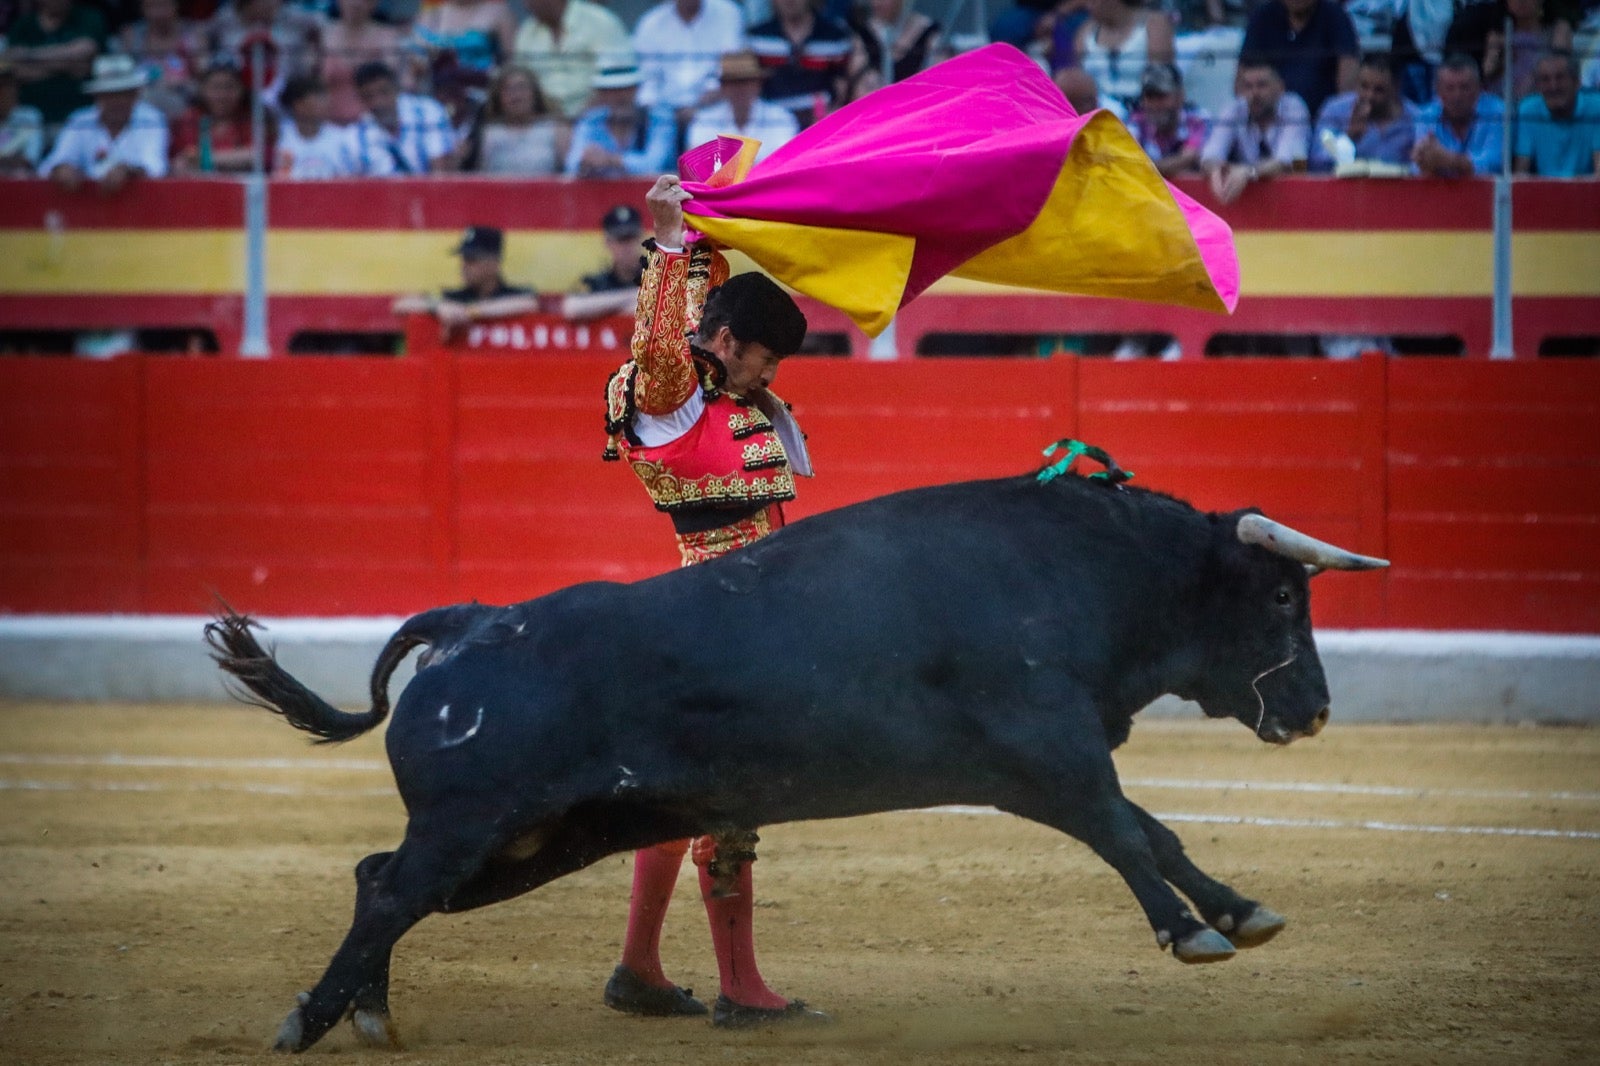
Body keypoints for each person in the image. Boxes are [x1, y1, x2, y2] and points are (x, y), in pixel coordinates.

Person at [600, 173, 829, 1030]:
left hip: (726, 611)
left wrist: (706, 238)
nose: (769, 375)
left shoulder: (712, 386)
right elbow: (664, 338)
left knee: (677, 800)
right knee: (730, 803)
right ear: (728, 344)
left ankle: (639, 969)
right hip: (717, 623)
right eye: (765, 358)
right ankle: (741, 989)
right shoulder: (668, 391)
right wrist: (666, 243)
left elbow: (701, 293)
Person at [39, 53, 169, 190]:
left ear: (135, 94)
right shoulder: (79, 121)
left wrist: (128, 171)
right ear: (97, 96)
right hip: (86, 204)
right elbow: (51, 164)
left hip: (137, 206)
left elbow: (155, 167)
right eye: (109, 94)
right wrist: (62, 168)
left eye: (123, 93)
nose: (117, 101)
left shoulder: (151, 120)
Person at [1200, 54, 1309, 203]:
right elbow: (1210, 155)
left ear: (1280, 88)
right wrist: (1216, 171)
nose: (1254, 93)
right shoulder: (1234, 109)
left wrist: (1248, 172)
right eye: (1248, 87)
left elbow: (1287, 162)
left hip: (1295, 200)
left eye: (1262, 85)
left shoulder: (1294, 107)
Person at [392, 226, 540, 333]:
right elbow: (400, 304)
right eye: (463, 259)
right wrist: (436, 307)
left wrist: (469, 311)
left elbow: (529, 303)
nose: (463, 266)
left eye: (471, 260)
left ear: (494, 263)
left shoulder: (515, 294)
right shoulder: (454, 297)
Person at [511, 0, 635, 121]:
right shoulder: (527, 32)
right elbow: (521, 84)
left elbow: (620, 82)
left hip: (598, 120)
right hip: (544, 123)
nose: (526, 5)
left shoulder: (601, 22)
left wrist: (578, 120)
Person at [634, 0, 748, 128]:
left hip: (713, 108)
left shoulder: (729, 13)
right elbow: (648, 84)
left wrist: (699, 106)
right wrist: (665, 112)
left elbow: (732, 71)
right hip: (663, 115)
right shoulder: (650, 23)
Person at [1240, 0, 1359, 120]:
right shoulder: (1262, 17)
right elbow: (1242, 81)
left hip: (1322, 124)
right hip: (1272, 124)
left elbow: (1347, 87)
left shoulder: (1336, 16)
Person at [746, 0, 854, 126]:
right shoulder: (757, 38)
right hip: (771, 126)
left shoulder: (834, 37)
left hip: (820, 123)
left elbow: (842, 84)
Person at [6, 0, 108, 128]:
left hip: (82, 114)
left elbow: (87, 50)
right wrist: (69, 64)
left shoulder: (88, 17)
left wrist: (28, 56)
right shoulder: (23, 24)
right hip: (31, 115)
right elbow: (15, 69)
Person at [564, 63, 678, 177]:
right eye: (611, 90)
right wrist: (585, 161)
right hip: (603, 192)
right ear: (602, 94)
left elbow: (654, 165)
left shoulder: (658, 119)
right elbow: (572, 164)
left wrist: (610, 160)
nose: (619, 96)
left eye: (625, 89)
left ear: (636, 89)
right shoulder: (591, 120)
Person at [347, 59, 460, 173]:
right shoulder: (356, 136)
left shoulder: (428, 112)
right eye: (369, 96)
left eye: (384, 92)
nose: (378, 102)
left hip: (431, 189)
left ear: (396, 89)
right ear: (360, 99)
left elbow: (440, 170)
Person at [1310, 52, 1418, 171]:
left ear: (1396, 88)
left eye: (1379, 90)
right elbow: (1316, 163)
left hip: (1398, 188)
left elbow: (1419, 170)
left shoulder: (1416, 118)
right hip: (1346, 188)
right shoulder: (1335, 110)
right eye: (1364, 86)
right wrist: (1349, 137)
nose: (1369, 95)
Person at [684, 51, 799, 161]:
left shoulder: (782, 118)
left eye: (746, 82)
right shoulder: (704, 120)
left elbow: (783, 164)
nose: (740, 89)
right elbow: (695, 168)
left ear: (758, 85)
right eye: (733, 83)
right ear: (723, 88)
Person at [1063, 0, 1176, 110]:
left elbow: (1160, 80)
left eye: (1093, 1)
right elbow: (1078, 82)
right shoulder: (1084, 32)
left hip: (1141, 111)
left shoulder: (1154, 24)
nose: (1087, 6)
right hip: (1098, 114)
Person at [1412, 52, 1504, 175]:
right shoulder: (1426, 116)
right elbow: (1418, 168)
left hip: (1485, 193)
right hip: (1440, 192)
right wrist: (1425, 161)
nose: (1457, 96)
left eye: (1464, 87)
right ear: (1438, 91)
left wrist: (1449, 161)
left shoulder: (1497, 111)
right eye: (1450, 88)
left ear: (1479, 88)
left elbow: (1495, 164)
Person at [169, 60, 268, 172]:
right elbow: (181, 160)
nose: (222, 95)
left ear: (242, 89)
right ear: (202, 89)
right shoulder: (190, 119)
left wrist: (205, 158)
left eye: (229, 87)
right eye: (215, 87)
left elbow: (258, 155)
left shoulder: (252, 117)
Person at [318, 0, 406, 125]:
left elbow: (396, 85)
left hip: (374, 126)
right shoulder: (322, 36)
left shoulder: (387, 38)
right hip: (330, 126)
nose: (356, 3)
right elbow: (314, 87)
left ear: (374, 4)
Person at [1512, 49, 1598, 176]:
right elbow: (1521, 172)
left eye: (1560, 77)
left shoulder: (1596, 107)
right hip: (1542, 193)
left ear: (1577, 82)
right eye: (1545, 79)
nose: (1553, 86)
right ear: (1538, 86)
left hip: (1586, 192)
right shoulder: (1528, 109)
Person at [116, 0, 202, 122]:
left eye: (164, 5)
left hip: (184, 105)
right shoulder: (131, 36)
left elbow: (204, 80)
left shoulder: (194, 34)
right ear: (142, 9)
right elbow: (121, 80)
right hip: (141, 110)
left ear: (176, 6)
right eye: (151, 6)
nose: (158, 13)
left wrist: (183, 84)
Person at [844, 0, 946, 101]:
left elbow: (936, 87)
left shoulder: (931, 34)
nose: (876, 3)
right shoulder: (863, 35)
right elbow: (859, 92)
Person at [559, 203, 646, 320]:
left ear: (641, 238)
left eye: (631, 238)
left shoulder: (656, 275)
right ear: (607, 242)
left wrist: (604, 308)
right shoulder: (597, 282)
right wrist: (633, 296)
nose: (627, 247)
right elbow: (571, 307)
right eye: (620, 240)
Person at [1479, 0, 1573, 101]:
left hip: (1542, 99)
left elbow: (1559, 64)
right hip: (1500, 101)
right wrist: (1501, 56)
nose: (1521, 1)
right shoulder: (1498, 34)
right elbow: (1487, 71)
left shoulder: (1557, 29)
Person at [1129, 61, 1208, 176]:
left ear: (1180, 96)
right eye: (1150, 96)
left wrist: (1144, 169)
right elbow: (1128, 163)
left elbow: (1189, 158)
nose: (1155, 104)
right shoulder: (1137, 121)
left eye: (1161, 96)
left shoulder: (1196, 119)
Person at [273, 72, 355, 177]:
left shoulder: (340, 138)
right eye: (319, 98)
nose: (327, 103)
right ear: (299, 105)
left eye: (325, 97)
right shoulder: (281, 136)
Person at [0, 56, 47, 176]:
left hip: (17, 187)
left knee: (21, 173)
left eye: (9, 84)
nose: (7, 91)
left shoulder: (29, 116)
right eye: (2, 85)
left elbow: (29, 161)